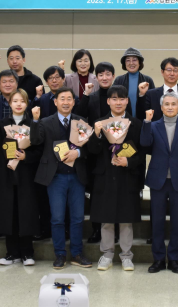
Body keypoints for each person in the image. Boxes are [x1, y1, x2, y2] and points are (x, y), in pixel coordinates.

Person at [137, 57, 178, 245]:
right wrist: (141, 97)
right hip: (159, 153)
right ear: (162, 72)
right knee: (157, 211)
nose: (172, 73)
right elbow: (143, 119)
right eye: (168, 70)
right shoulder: (152, 94)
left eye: (175, 70)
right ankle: (155, 240)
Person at [33, 87, 92, 269]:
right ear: (55, 102)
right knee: (57, 218)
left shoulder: (81, 121)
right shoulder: (45, 122)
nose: (66, 102)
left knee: (77, 218)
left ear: (74, 102)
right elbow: (35, 142)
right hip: (55, 177)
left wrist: (78, 153)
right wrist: (34, 121)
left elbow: (90, 149)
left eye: (69, 99)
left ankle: (77, 253)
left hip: (76, 177)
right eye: (62, 99)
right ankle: (59, 254)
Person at [88, 85, 143, 272]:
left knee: (126, 218)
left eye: (121, 99)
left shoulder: (135, 123)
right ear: (108, 101)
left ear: (127, 101)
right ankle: (107, 255)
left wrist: (128, 162)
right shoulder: (99, 123)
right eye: (114, 99)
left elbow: (141, 153)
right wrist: (96, 134)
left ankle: (127, 256)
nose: (118, 102)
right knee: (106, 218)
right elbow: (92, 151)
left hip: (127, 176)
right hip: (105, 177)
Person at [0, 89, 42, 266]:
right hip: (5, 174)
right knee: (8, 212)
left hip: (26, 175)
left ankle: (27, 253)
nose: (18, 104)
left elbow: (39, 149)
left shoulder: (33, 124)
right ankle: (11, 253)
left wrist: (26, 156)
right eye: (15, 101)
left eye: (22, 101)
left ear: (27, 104)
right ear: (9, 103)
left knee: (26, 212)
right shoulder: (0, 124)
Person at [141, 92, 178, 274]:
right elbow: (144, 143)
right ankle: (158, 259)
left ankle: (173, 259)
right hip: (158, 180)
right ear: (161, 107)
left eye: (173, 104)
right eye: (167, 104)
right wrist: (146, 122)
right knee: (157, 221)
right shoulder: (153, 125)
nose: (170, 107)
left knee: (177, 222)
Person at [77, 61, 117, 244]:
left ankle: (114, 230)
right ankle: (96, 230)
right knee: (96, 192)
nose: (104, 77)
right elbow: (79, 117)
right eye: (101, 74)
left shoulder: (119, 96)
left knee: (114, 192)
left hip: (115, 151)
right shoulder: (91, 97)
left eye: (108, 74)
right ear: (96, 77)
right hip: (95, 152)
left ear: (113, 76)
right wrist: (85, 95)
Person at [113, 47, 155, 117]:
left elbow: (153, 103)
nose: (131, 63)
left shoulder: (148, 80)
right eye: (128, 60)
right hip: (122, 120)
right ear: (124, 63)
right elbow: (113, 101)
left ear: (139, 63)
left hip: (143, 120)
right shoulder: (119, 80)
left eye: (134, 60)